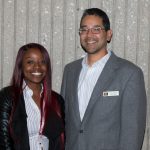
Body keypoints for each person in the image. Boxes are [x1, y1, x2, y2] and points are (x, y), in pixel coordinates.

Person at [61, 8, 146, 150]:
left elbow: (132, 131)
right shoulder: (70, 71)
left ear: (108, 34)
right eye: (84, 29)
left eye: (96, 29)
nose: (89, 35)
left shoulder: (129, 74)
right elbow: (63, 122)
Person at [0, 43, 65, 150]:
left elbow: (61, 139)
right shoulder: (8, 96)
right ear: (21, 65)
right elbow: (3, 140)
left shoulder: (56, 100)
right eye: (30, 62)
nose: (37, 67)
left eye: (42, 62)